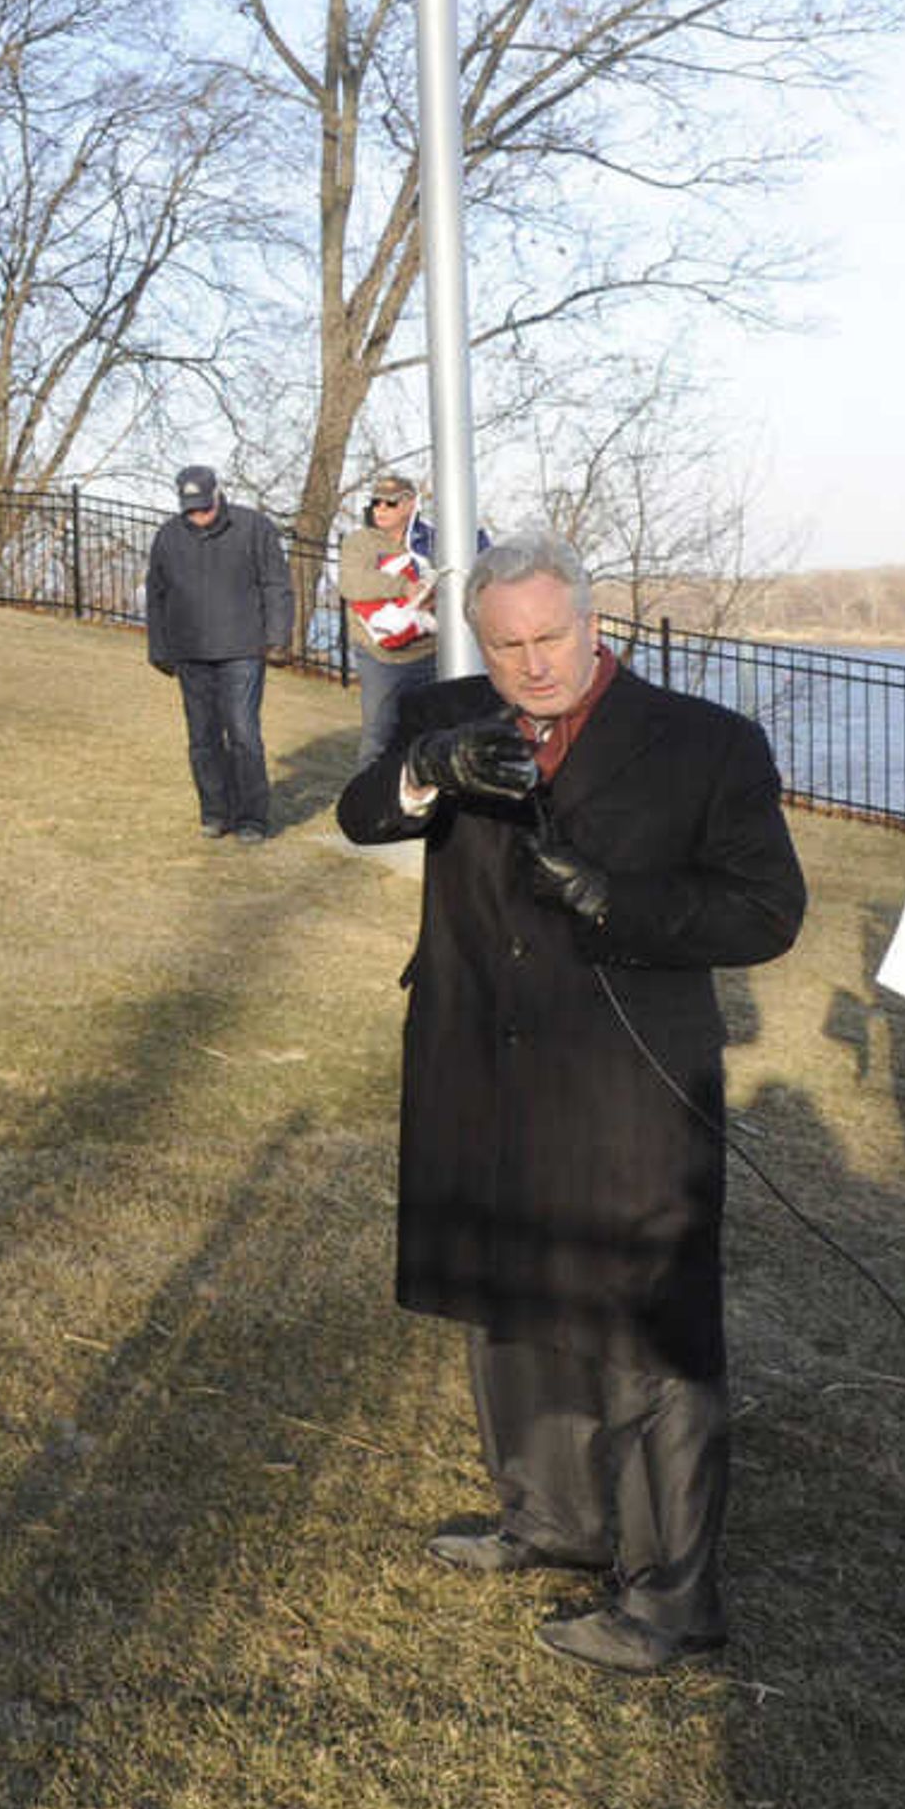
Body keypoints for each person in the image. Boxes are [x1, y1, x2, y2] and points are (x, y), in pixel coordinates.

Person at [338, 534, 805, 1676]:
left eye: (550, 638)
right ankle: (549, 1516)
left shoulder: (707, 743)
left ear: (595, 624)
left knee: (652, 1327)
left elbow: (766, 912)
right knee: (509, 1287)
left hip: (629, 1072)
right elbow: (364, 816)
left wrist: (619, 901)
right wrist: (430, 767)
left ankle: (669, 1598)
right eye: (506, 645)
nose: (532, 664)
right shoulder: (444, 714)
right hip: (473, 1058)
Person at [144, 463, 295, 841]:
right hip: (190, 652)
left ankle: (252, 819)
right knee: (202, 737)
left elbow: (276, 584)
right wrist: (159, 648)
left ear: (217, 494)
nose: (198, 516)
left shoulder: (253, 527)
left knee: (243, 734)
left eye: (204, 507)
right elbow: (156, 596)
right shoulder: (167, 537)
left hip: (242, 650)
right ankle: (215, 812)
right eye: (190, 509)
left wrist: (277, 638)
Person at [340, 472, 441, 769]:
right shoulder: (359, 543)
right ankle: (367, 808)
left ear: (410, 504)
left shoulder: (432, 543)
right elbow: (352, 583)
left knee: (429, 736)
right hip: (379, 658)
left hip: (429, 654)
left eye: (390, 503)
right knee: (378, 736)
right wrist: (403, 586)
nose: (380, 509)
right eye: (376, 503)